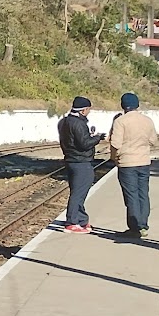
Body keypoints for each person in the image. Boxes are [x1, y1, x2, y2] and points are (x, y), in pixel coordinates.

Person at [108, 92, 159, 238]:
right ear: (137, 105)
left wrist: (114, 158)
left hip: (126, 163)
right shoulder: (147, 120)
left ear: (123, 105)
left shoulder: (120, 121)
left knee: (131, 195)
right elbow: (153, 140)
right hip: (144, 162)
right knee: (143, 194)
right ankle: (143, 225)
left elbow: (115, 144)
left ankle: (134, 227)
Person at [56, 96, 104, 232]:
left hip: (70, 160)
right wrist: (97, 138)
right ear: (83, 110)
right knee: (78, 192)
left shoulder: (63, 122)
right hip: (81, 161)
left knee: (78, 191)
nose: (89, 112)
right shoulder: (78, 123)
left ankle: (82, 219)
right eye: (88, 109)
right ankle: (71, 222)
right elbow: (84, 144)